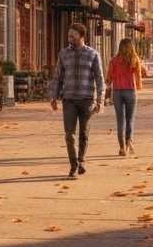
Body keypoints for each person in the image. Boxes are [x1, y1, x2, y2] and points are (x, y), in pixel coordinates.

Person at [50, 23, 104, 179]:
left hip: (87, 99)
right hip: (69, 100)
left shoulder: (93, 54)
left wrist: (100, 99)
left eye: (73, 36)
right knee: (69, 134)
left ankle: (81, 160)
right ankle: (74, 165)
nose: (70, 38)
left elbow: (99, 78)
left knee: (84, 134)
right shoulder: (63, 54)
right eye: (69, 36)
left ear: (81, 36)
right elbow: (57, 77)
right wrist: (54, 96)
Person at [107, 37, 145, 156]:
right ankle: (129, 142)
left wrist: (108, 85)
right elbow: (139, 75)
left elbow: (109, 77)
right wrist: (138, 86)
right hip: (130, 91)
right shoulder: (135, 60)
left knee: (120, 120)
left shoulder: (114, 60)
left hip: (117, 91)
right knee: (130, 120)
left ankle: (122, 147)